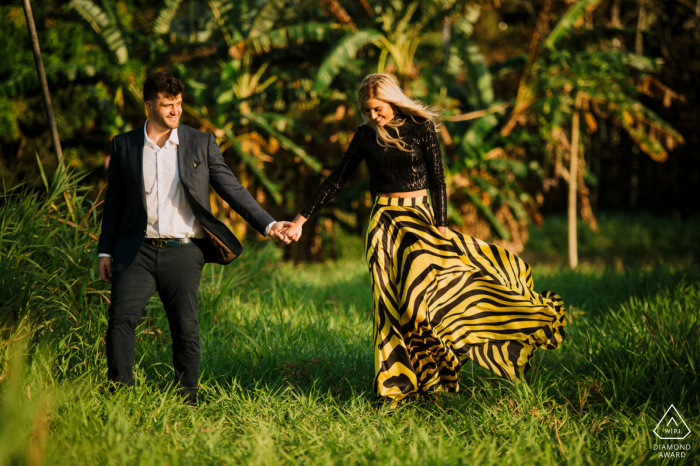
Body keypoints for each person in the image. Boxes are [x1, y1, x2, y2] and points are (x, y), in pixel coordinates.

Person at [282, 74, 567, 403]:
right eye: (366, 111)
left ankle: (435, 372)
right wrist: (300, 220)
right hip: (384, 224)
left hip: (420, 220)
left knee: (421, 305)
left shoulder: (421, 126)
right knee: (387, 305)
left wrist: (441, 226)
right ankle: (396, 387)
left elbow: (438, 179)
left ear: (391, 100)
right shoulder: (364, 136)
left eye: (377, 109)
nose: (373, 116)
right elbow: (336, 180)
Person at [97, 71, 291, 405]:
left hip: (184, 252)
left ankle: (187, 397)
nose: (175, 111)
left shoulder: (199, 143)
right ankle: (119, 395)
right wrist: (104, 251)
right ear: (149, 106)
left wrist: (268, 224)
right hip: (136, 250)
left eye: (178, 104)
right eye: (166, 105)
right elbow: (113, 202)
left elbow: (231, 188)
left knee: (185, 327)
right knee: (120, 320)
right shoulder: (124, 145)